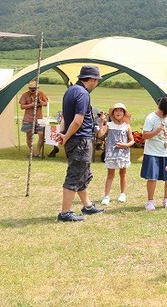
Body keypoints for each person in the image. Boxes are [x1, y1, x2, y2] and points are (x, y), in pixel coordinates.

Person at [56, 65, 105, 222]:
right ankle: (65, 212)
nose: (97, 84)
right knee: (75, 174)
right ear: (91, 79)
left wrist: (64, 133)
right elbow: (77, 121)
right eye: (97, 80)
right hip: (80, 140)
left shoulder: (70, 90)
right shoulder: (83, 94)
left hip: (74, 139)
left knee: (83, 173)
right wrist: (66, 136)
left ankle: (87, 206)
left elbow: (65, 116)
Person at [97, 103, 134, 206]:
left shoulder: (126, 126)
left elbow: (132, 141)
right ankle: (106, 196)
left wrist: (125, 145)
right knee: (110, 175)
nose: (118, 112)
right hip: (111, 153)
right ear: (113, 114)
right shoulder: (109, 125)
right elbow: (100, 134)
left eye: (120, 111)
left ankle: (122, 193)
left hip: (123, 153)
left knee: (123, 173)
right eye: (116, 111)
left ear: (124, 114)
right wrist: (102, 122)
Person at [19, 80, 48, 157]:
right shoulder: (25, 95)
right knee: (29, 135)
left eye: (34, 89)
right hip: (28, 119)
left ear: (37, 88)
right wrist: (31, 105)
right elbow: (22, 106)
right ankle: (31, 152)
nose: (32, 91)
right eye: (31, 89)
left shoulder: (41, 94)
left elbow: (46, 103)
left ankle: (37, 152)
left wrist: (42, 102)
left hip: (39, 118)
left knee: (41, 134)